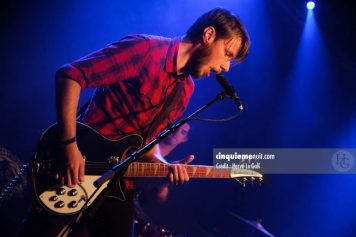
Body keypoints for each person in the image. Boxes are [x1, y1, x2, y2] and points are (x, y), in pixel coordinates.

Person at [17, 7, 250, 237]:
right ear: (208, 35)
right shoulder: (146, 50)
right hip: (78, 164)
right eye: (227, 54)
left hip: (119, 184)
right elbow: (70, 75)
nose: (225, 67)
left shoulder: (185, 90)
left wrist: (164, 164)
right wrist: (69, 145)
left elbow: (146, 142)